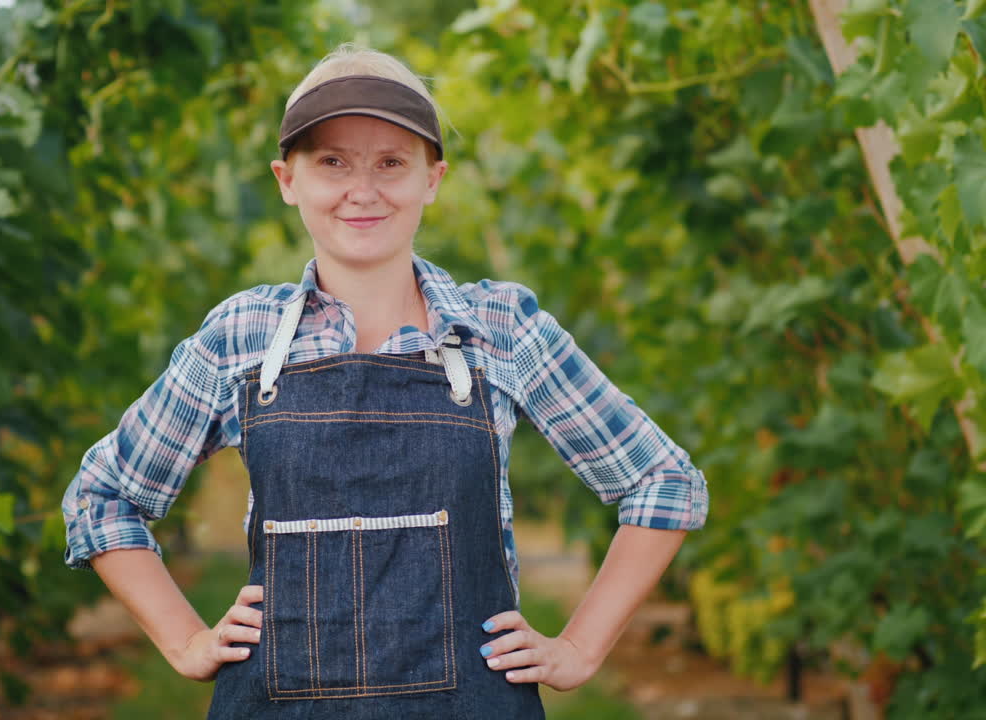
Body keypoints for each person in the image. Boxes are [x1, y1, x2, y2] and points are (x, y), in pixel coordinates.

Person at [62, 44, 708, 719]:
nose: (362, 190)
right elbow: (101, 497)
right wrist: (185, 640)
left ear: (434, 178)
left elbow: (663, 481)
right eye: (332, 162)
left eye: (391, 163)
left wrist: (581, 648)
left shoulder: (500, 328)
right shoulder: (241, 338)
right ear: (288, 179)